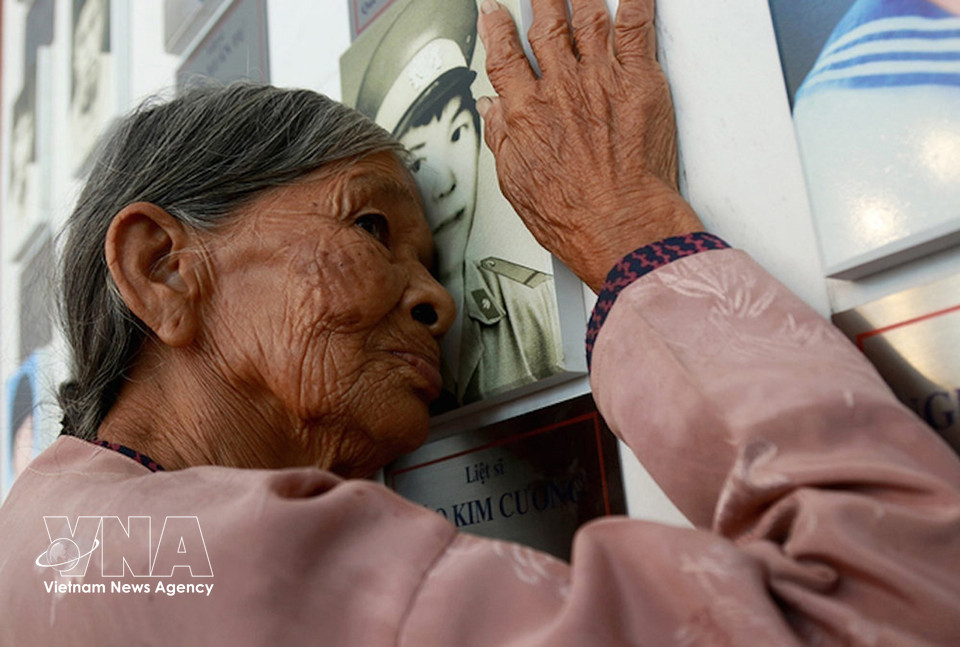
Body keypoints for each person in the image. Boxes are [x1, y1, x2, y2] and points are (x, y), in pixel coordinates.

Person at [0, 1, 958, 645]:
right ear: (163, 267)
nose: (439, 300)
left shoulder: (50, 553)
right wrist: (635, 233)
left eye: (434, 256)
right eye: (370, 227)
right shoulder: (228, 559)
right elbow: (900, 600)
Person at [353, 0, 563, 408]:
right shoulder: (372, 354)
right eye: (418, 163)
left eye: (457, 134)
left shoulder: (533, 305)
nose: (450, 182)